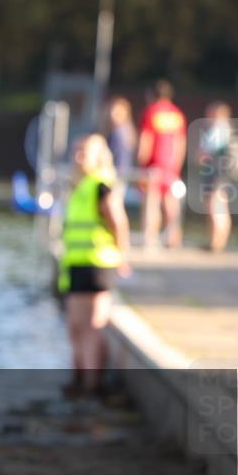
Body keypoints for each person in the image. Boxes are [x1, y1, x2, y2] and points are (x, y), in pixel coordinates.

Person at [58, 134, 131, 398]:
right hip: (76, 265)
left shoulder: (101, 185)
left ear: (98, 156)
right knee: (75, 326)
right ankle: (78, 380)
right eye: (76, 151)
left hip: (97, 265)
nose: (78, 157)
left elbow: (118, 222)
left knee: (93, 326)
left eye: (84, 152)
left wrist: (122, 256)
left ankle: (92, 384)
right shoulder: (80, 186)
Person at [137, 79, 187, 249]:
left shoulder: (151, 112)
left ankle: (150, 237)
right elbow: (181, 142)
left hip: (153, 164)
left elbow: (146, 139)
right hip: (171, 166)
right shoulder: (177, 114)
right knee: (170, 202)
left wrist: (141, 161)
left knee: (151, 202)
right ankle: (174, 236)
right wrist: (176, 165)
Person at [197, 102, 238, 252]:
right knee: (221, 207)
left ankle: (216, 243)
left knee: (215, 206)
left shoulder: (217, 130)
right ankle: (219, 242)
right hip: (225, 174)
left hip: (217, 174)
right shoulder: (228, 129)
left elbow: (203, 154)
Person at [103, 96, 136, 203]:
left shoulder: (119, 133)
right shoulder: (128, 132)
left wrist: (114, 175)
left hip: (115, 175)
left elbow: (118, 157)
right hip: (122, 174)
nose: (113, 115)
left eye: (117, 112)